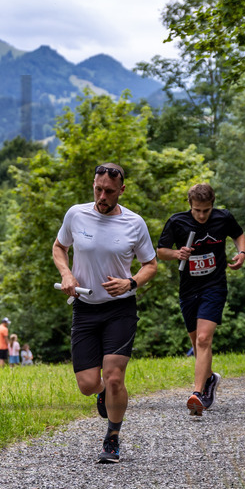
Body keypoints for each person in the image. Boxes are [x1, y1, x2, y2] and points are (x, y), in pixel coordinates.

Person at [53, 162, 158, 463]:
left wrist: (131, 281)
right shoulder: (76, 214)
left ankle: (112, 437)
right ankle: (102, 394)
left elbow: (150, 264)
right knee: (88, 385)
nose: (102, 196)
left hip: (120, 310)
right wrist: (66, 275)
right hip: (85, 308)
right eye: (98, 189)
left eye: (109, 192)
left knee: (114, 377)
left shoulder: (134, 224)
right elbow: (59, 247)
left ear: (121, 191)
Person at [157, 183, 245, 415]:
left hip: (214, 286)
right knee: (197, 342)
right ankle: (209, 380)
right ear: (190, 205)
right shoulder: (177, 222)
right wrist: (177, 254)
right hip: (188, 289)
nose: (201, 215)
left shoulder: (223, 217)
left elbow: (238, 234)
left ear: (212, 206)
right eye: (197, 210)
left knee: (204, 339)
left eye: (206, 210)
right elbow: (160, 251)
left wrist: (242, 252)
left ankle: (197, 393)